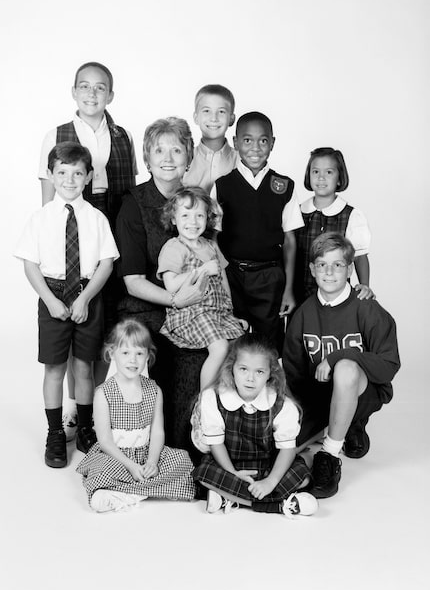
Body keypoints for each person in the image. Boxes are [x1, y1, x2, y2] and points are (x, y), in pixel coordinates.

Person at [38, 61, 138, 439]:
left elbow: (129, 190)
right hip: (73, 226)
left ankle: (94, 409)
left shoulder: (123, 135)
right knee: (71, 323)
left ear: (110, 95)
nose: (92, 93)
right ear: (74, 92)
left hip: (110, 226)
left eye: (100, 88)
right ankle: (71, 411)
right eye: (85, 86)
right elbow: (49, 201)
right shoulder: (56, 134)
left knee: (101, 319)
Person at [15, 142, 119, 468]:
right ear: (51, 175)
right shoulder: (41, 218)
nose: (70, 180)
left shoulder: (97, 218)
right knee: (55, 368)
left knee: (84, 367)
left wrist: (86, 298)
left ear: (89, 176)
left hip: (88, 294)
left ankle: (86, 427)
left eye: (77, 173)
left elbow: (106, 263)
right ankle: (55, 433)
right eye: (62, 173)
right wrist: (50, 300)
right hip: (53, 294)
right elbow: (30, 265)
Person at [283, 232, 400, 499]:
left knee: (346, 368)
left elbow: (389, 365)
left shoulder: (367, 308)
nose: (329, 271)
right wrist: (297, 417)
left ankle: (331, 455)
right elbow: (293, 370)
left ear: (349, 269)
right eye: (322, 264)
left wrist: (338, 356)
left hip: (362, 393)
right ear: (312, 270)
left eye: (337, 264)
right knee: (285, 445)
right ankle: (337, 428)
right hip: (320, 397)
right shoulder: (303, 314)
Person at [116, 117, 208, 451]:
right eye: (159, 150)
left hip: (194, 305)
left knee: (221, 352)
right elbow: (133, 282)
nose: (168, 157)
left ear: (189, 156)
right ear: (147, 158)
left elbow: (209, 261)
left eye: (176, 149)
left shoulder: (196, 203)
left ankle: (205, 444)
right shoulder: (134, 204)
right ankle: (172, 451)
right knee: (181, 357)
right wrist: (176, 302)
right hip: (145, 307)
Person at [191, 333, 318, 517]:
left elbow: (287, 449)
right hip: (230, 465)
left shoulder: (282, 404)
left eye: (259, 372)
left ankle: (230, 498)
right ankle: (280, 506)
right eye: (243, 369)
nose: (250, 378)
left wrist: (271, 482)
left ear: (270, 374)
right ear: (231, 368)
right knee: (204, 474)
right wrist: (232, 473)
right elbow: (216, 443)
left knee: (302, 476)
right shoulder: (214, 397)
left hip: (269, 466)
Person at [76, 319, 196, 512]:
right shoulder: (103, 393)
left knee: (183, 459)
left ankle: (126, 494)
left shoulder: (154, 390)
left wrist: (152, 462)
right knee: (100, 471)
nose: (133, 360)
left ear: (148, 355)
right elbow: (105, 441)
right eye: (125, 353)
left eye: (139, 353)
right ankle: (144, 491)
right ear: (112, 353)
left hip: (145, 453)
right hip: (115, 457)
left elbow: (157, 432)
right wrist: (131, 466)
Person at [212, 111, 304, 352]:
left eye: (263, 140)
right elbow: (213, 239)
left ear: (272, 143)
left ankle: (270, 390)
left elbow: (291, 241)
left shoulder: (283, 186)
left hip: (270, 277)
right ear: (235, 143)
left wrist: (288, 289)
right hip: (231, 276)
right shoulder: (222, 186)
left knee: (268, 347)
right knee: (234, 343)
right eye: (247, 140)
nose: (255, 148)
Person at [158, 186, 244, 389]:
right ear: (173, 219)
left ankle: (226, 395)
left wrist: (230, 310)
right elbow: (170, 284)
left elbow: (222, 278)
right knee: (220, 347)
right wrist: (202, 270)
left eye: (199, 215)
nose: (192, 222)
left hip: (216, 311)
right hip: (191, 313)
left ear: (208, 218)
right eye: (185, 215)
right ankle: (204, 402)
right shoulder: (174, 247)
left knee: (241, 345)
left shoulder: (211, 245)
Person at [294, 147, 372, 306]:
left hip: (336, 296)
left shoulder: (351, 216)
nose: (321, 177)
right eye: (315, 172)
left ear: (339, 178)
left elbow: (359, 256)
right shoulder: (298, 212)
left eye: (328, 172)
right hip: (300, 297)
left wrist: (365, 285)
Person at [183, 84, 237, 193]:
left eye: (221, 111)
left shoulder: (241, 161)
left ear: (231, 119)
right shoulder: (184, 159)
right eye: (206, 111)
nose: (214, 118)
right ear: (196, 117)